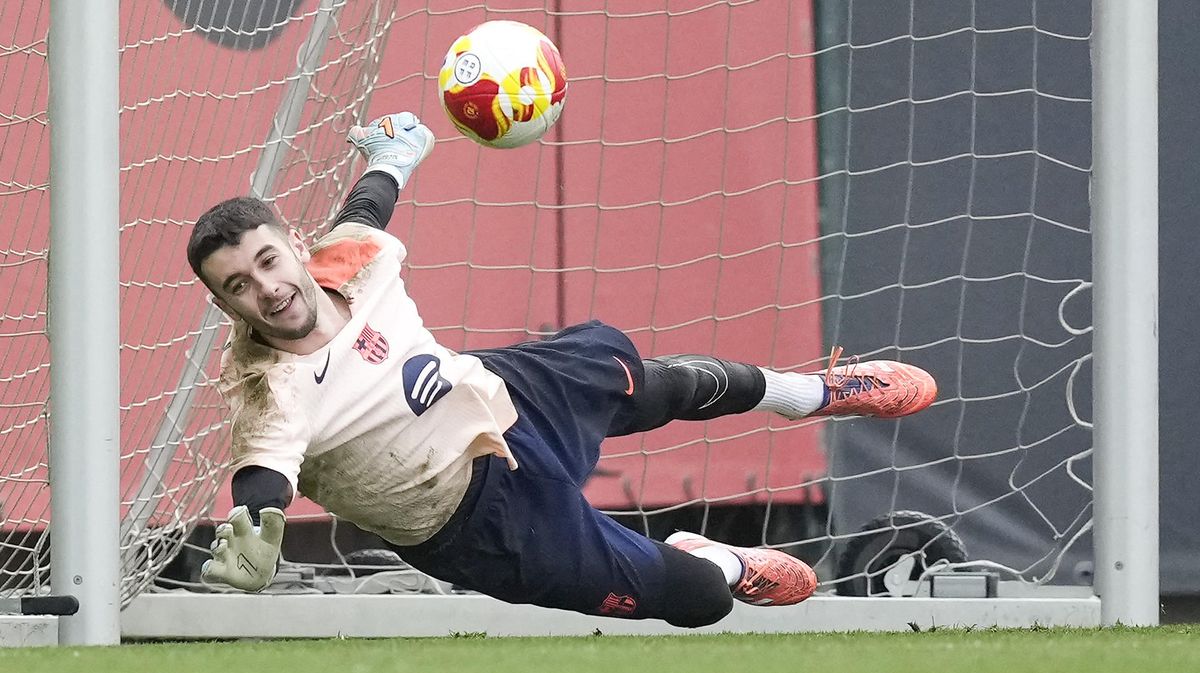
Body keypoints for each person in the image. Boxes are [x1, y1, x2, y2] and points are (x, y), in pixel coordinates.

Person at [191, 112, 937, 627]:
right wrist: (260, 526)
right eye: (239, 287)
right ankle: (716, 557)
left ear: (294, 242)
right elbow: (266, 469)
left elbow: (370, 205)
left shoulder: (345, 259)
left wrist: (394, 152)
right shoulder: (268, 388)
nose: (267, 288)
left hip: (500, 395)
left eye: (267, 260)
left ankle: (811, 393)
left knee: (648, 379)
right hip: (477, 523)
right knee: (700, 599)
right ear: (227, 305)